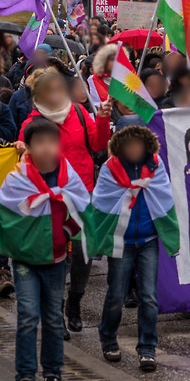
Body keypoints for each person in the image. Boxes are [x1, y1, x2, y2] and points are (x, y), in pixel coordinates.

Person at [0, 117, 89, 381]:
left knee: (53, 319)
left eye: (52, 142)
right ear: (29, 147)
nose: (47, 148)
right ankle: (24, 377)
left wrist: (65, 230)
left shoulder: (68, 176)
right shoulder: (16, 179)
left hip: (57, 258)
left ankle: (53, 373)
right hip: (24, 261)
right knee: (28, 316)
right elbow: (5, 216)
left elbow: (82, 209)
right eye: (40, 142)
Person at [18, 68, 111, 337]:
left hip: (82, 195)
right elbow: (23, 163)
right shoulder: (31, 124)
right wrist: (21, 149)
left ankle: (75, 303)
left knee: (83, 255)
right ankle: (55, 311)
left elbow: (98, 144)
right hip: (49, 200)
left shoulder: (79, 113)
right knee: (55, 259)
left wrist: (103, 120)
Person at [90, 125, 179, 372]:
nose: (134, 148)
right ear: (119, 144)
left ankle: (147, 348)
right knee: (116, 294)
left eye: (138, 143)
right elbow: (102, 202)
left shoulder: (156, 165)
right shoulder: (110, 169)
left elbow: (164, 196)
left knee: (149, 296)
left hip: (148, 239)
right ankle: (108, 337)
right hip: (122, 240)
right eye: (128, 143)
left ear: (147, 143)